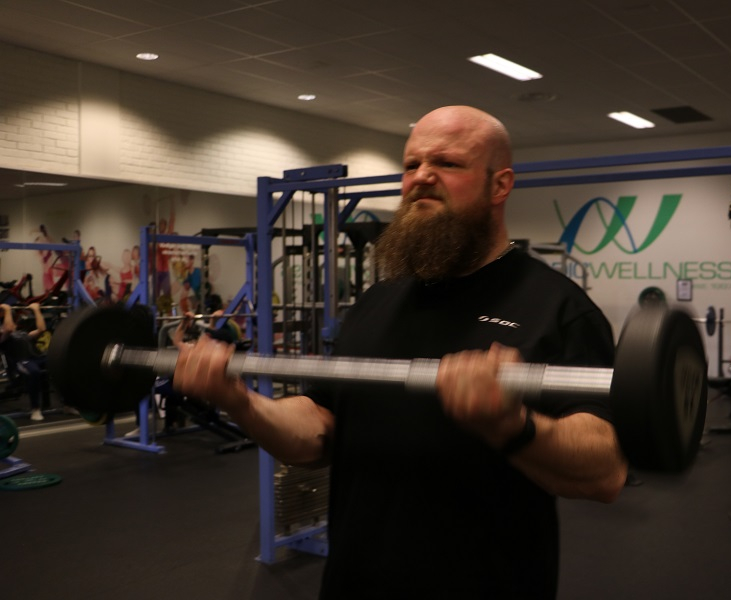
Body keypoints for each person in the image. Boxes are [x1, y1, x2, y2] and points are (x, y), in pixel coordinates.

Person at [173, 106, 628, 599]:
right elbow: (319, 428)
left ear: (500, 185)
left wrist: (510, 423)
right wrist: (239, 400)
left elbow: (605, 472)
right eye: (412, 165)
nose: (422, 177)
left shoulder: (558, 308)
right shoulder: (377, 302)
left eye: (447, 163)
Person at [0, 303, 49, 421]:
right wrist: (7, 310)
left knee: (59, 364)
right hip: (21, 362)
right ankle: (35, 409)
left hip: (36, 358)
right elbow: (8, 328)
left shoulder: (24, 334)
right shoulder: (4, 337)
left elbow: (42, 329)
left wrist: (36, 310)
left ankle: (68, 404)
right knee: (34, 371)